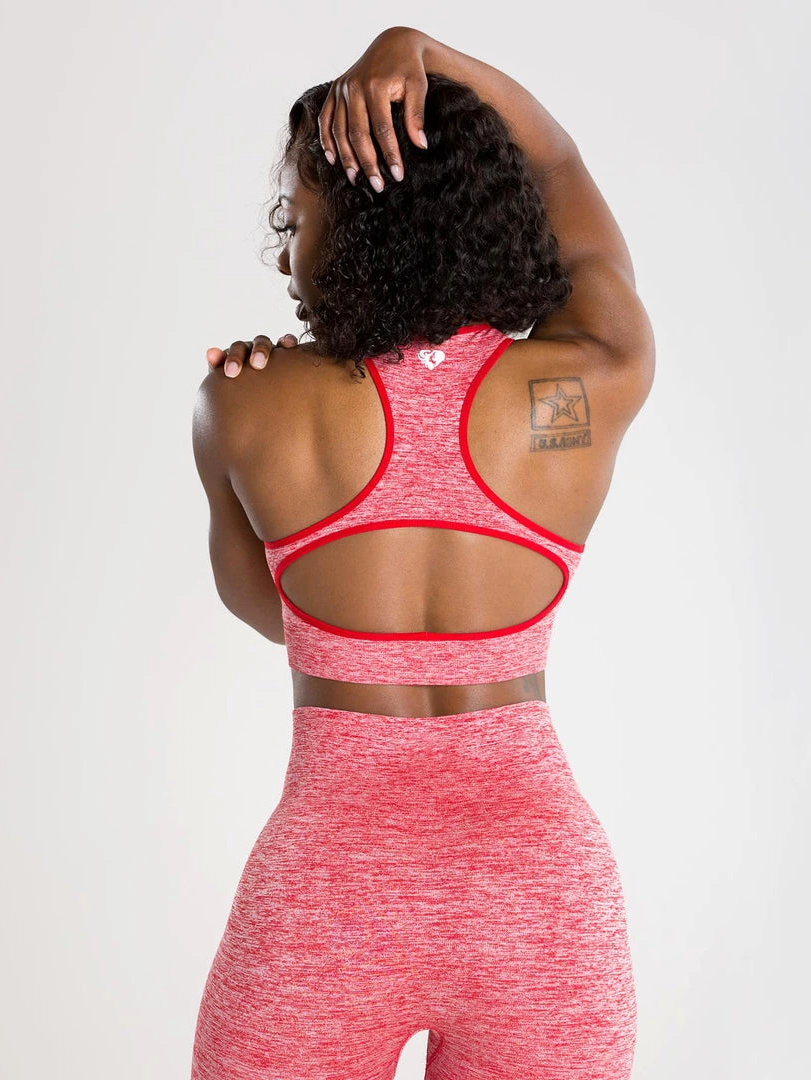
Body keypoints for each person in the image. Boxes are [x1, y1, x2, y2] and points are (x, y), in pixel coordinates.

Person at [191, 25, 654, 1080]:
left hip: (330, 898)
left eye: (298, 217)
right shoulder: (586, 380)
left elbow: (278, 615)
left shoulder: (244, 401)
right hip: (539, 898)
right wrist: (424, 54)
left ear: (359, 222)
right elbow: (560, 168)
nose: (286, 253)